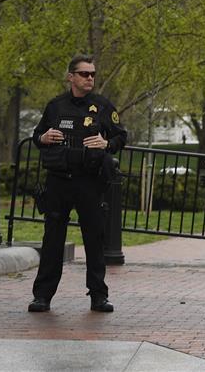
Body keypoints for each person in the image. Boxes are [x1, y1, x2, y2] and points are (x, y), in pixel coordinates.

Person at [28, 54, 127, 313]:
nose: (90, 78)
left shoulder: (102, 107)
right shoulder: (55, 106)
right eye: (84, 74)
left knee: (94, 239)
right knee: (52, 240)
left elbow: (121, 137)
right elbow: (38, 136)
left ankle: (98, 296)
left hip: (89, 181)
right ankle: (42, 296)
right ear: (71, 76)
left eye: (93, 74)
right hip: (59, 181)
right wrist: (43, 137)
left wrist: (107, 144)